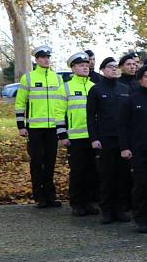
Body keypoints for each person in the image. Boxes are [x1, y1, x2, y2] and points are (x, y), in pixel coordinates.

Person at [15, 45, 67, 208]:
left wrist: (62, 127)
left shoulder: (57, 78)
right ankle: (39, 196)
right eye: (43, 57)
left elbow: (61, 104)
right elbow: (20, 102)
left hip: (53, 127)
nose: (46, 60)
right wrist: (21, 125)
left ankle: (50, 196)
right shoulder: (28, 78)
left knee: (50, 162)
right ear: (36, 60)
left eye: (47, 57)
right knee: (37, 162)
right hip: (35, 128)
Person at [119, 64, 147, 233]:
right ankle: (141, 218)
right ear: (140, 80)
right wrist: (125, 147)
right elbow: (122, 125)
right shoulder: (130, 100)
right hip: (138, 150)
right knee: (141, 185)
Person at [87, 56, 132, 223]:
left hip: (123, 140)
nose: (114, 69)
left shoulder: (125, 89)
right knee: (107, 176)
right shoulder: (96, 90)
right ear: (103, 70)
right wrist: (94, 138)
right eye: (110, 67)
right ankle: (106, 211)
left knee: (122, 176)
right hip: (105, 139)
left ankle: (119, 210)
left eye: (115, 67)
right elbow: (91, 116)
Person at [59, 52, 98, 216]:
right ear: (73, 68)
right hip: (75, 138)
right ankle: (76, 203)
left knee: (92, 171)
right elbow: (58, 112)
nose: (85, 67)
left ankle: (89, 202)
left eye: (86, 64)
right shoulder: (65, 87)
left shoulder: (93, 86)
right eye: (81, 65)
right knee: (77, 172)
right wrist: (62, 135)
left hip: (92, 137)